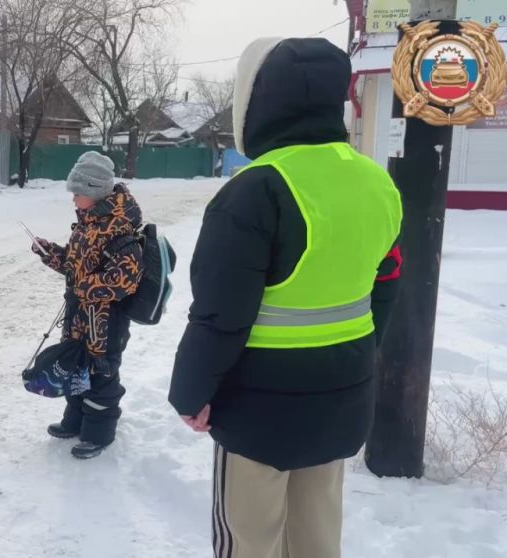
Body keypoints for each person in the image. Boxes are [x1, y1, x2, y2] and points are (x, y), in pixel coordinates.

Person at [168, 38, 403, 557]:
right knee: (317, 532)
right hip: (343, 391)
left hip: (258, 405)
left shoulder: (256, 190)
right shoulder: (375, 182)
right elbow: (386, 283)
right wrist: (362, 355)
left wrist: (190, 392)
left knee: (249, 537)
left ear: (258, 101)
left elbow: (220, 313)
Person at [34, 152, 144, 460]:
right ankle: (76, 420)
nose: (73, 199)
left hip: (105, 322)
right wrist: (50, 253)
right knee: (76, 367)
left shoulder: (118, 229)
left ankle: (99, 432)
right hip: (80, 317)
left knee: (101, 374)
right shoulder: (90, 223)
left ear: (95, 191)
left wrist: (84, 287)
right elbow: (76, 264)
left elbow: (125, 279)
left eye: (78, 193)